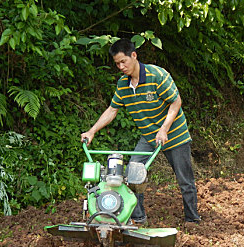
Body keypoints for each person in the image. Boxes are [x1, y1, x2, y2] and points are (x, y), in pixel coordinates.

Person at [80, 38, 201, 224]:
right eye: (117, 63)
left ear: (134, 55)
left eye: (123, 61)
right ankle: (138, 219)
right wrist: (92, 131)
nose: (121, 66)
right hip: (149, 137)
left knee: (184, 180)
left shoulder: (157, 75)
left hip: (174, 135)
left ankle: (192, 219)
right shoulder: (123, 85)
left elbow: (176, 102)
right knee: (132, 175)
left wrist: (164, 129)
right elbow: (112, 110)